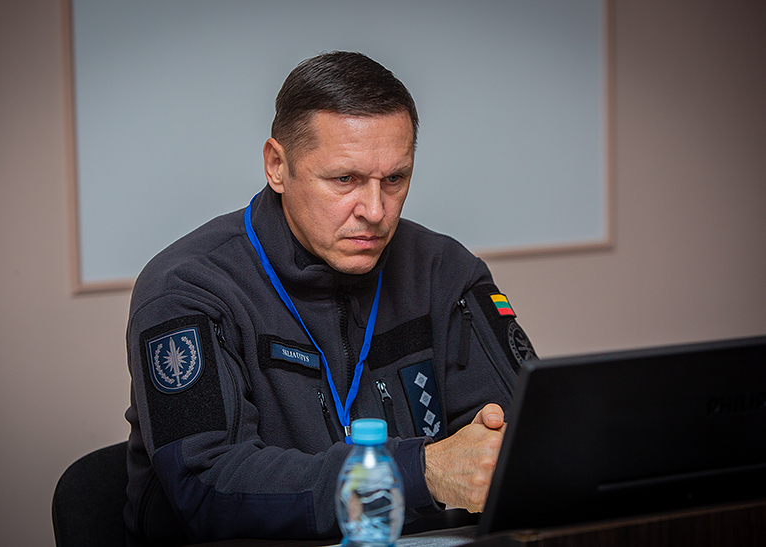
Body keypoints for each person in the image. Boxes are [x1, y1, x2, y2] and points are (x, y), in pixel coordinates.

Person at [124, 51, 536, 546]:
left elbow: (522, 439)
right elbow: (207, 489)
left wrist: (496, 450)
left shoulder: (444, 270)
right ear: (278, 166)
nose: (375, 211)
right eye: (345, 180)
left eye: (395, 179)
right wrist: (418, 471)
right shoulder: (187, 288)